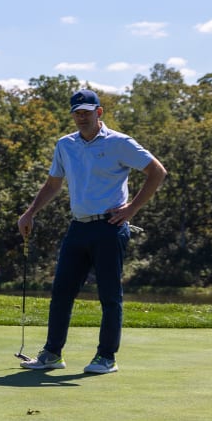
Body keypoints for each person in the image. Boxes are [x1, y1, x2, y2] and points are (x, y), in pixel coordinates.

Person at [17, 88, 168, 374]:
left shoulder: (119, 143)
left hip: (110, 229)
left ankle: (106, 357)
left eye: (87, 112)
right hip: (78, 227)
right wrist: (30, 213)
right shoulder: (65, 145)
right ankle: (52, 354)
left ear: (99, 112)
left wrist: (131, 209)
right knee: (61, 293)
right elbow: (53, 185)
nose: (82, 117)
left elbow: (157, 172)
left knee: (110, 297)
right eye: (77, 113)